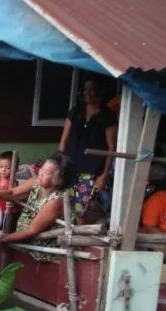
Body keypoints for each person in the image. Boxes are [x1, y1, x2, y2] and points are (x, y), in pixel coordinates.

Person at [0, 152, 76, 261]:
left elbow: (31, 231)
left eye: (46, 173)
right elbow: (12, 193)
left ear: (58, 180)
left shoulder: (56, 201)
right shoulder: (36, 181)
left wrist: (1, 239)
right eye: (41, 169)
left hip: (41, 251)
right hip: (24, 243)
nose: (40, 173)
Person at [58, 77, 117, 222]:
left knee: (83, 210)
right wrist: (58, 164)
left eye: (92, 89)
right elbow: (63, 140)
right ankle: (67, 239)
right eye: (85, 89)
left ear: (101, 92)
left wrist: (104, 174)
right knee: (64, 206)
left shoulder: (107, 116)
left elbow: (111, 148)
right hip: (69, 167)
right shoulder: (76, 111)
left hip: (91, 172)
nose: (88, 93)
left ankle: (80, 240)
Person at [0, 151, 22, 231]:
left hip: (11, 212)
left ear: (15, 169)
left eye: (8, 168)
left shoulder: (13, 183)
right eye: (1, 167)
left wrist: (2, 189)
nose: (3, 170)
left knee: (8, 229)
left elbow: (12, 193)